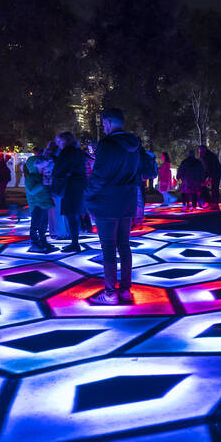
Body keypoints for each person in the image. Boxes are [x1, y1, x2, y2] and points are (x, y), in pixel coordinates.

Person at [85, 108, 142, 305]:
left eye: (103, 124)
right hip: (127, 201)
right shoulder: (135, 143)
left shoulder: (107, 144)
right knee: (124, 246)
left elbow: (99, 176)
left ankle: (110, 293)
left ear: (108, 123)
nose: (103, 127)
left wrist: (88, 197)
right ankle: (125, 290)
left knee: (108, 247)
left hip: (107, 203)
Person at [52, 131, 87, 252]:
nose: (57, 143)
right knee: (74, 214)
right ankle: (74, 241)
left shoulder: (66, 152)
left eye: (58, 141)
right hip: (78, 186)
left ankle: (74, 243)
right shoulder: (78, 152)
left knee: (70, 214)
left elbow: (58, 170)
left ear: (64, 141)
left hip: (69, 186)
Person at [24, 149, 56, 253]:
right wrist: (43, 184)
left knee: (43, 225)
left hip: (44, 204)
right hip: (36, 204)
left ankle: (42, 241)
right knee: (35, 224)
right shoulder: (30, 178)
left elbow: (46, 190)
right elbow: (32, 191)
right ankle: (34, 243)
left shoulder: (41, 176)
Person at [199, 145, 221, 210]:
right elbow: (207, 168)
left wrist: (210, 177)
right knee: (213, 188)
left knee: (214, 187)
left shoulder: (209, 156)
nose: (200, 153)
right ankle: (213, 202)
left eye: (201, 151)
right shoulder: (206, 156)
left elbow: (212, 167)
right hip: (214, 172)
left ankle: (215, 203)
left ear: (204, 150)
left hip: (216, 172)